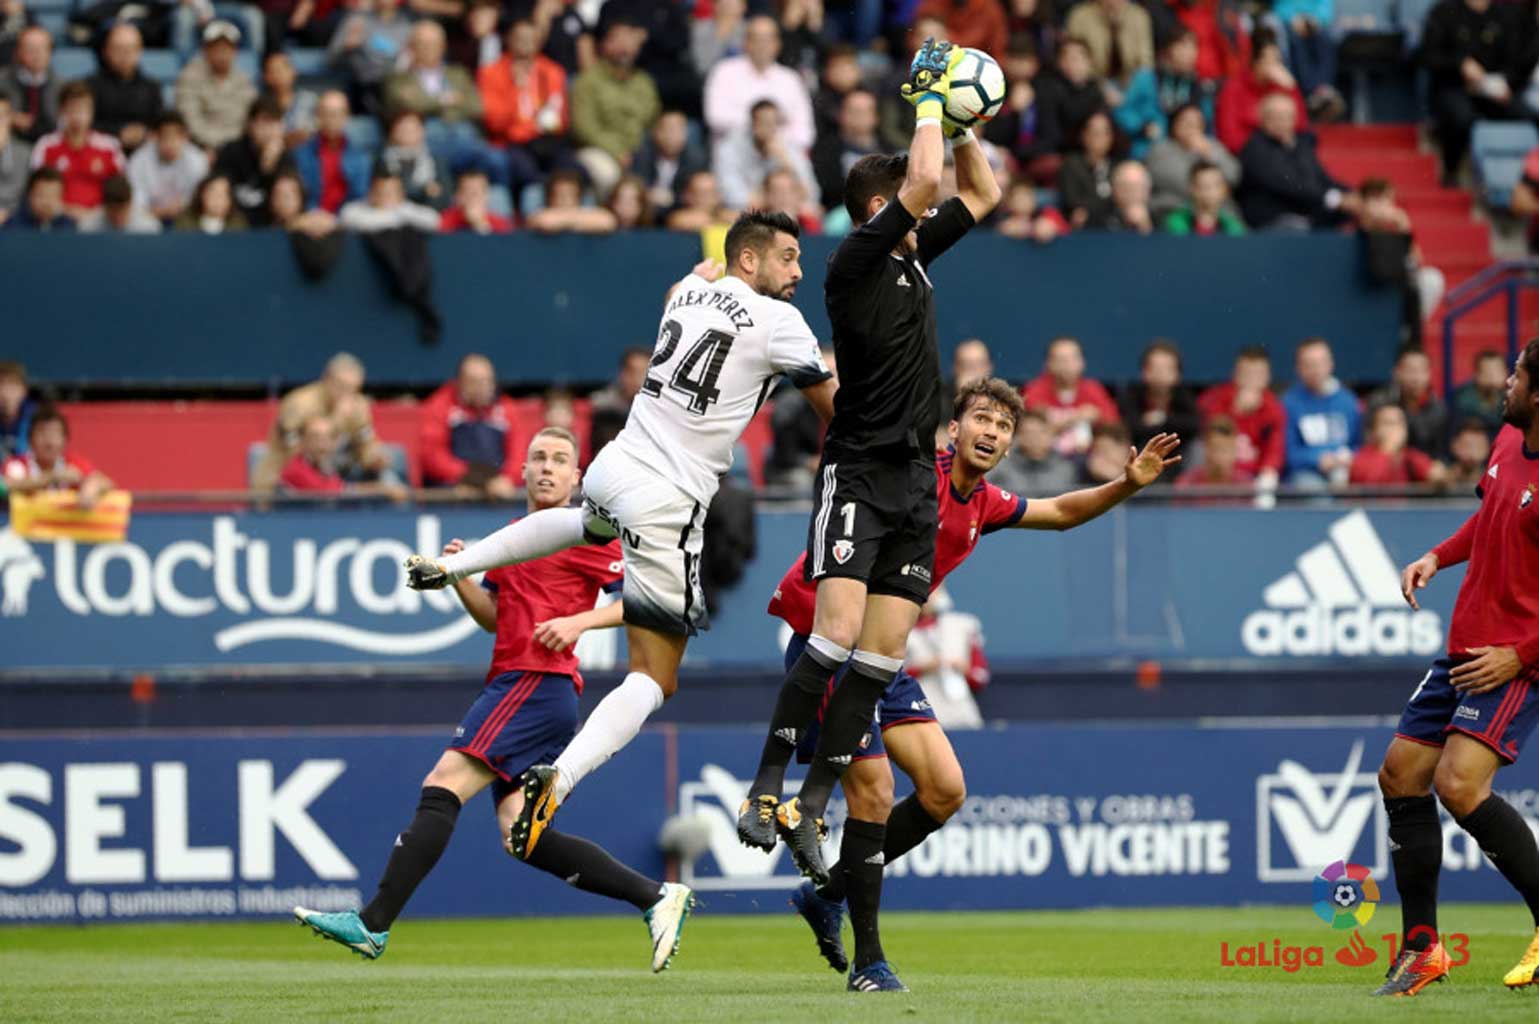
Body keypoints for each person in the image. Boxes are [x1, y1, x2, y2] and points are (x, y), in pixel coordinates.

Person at [402, 221, 838, 945]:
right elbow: (836, 414)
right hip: (669, 496)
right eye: (788, 258)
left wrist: (705, 279)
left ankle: (460, 559)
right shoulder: (780, 320)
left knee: (582, 523)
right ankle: (560, 779)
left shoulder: (685, 297)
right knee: (654, 675)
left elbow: (689, 286)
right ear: (750, 258)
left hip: (612, 463)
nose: (799, 272)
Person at [734, 40, 1000, 993]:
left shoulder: (915, 258)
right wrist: (931, 100)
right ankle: (767, 786)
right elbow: (926, 175)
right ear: (880, 206)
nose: (922, 203)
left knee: (881, 657)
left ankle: (806, 801)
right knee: (836, 635)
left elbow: (984, 191)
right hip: (858, 472)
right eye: (906, 198)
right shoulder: (852, 264)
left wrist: (965, 126)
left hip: (913, 488)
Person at [763, 379, 1177, 976]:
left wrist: (1127, 484)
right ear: (952, 430)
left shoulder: (983, 501)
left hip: (883, 655)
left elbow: (1059, 512)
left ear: (1009, 445)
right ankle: (869, 964)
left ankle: (828, 896)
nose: (992, 432)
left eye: (1004, 427)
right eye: (981, 419)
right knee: (875, 794)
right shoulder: (909, 474)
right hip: (831, 643)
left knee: (944, 790)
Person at [295, 427, 695, 971]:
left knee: (443, 785)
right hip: (524, 684)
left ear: (578, 477)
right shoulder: (517, 536)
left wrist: (580, 620)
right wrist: (462, 578)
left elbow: (644, 602)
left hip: (534, 682)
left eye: (560, 459)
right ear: (524, 472)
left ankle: (373, 923)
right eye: (538, 458)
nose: (548, 467)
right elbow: (494, 618)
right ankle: (655, 895)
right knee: (521, 835)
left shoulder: (587, 537)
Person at [1375, 339, 1539, 995]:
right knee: (1398, 774)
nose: (1505, 381)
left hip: (1513, 659)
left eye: (1518, 374)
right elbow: (1489, 516)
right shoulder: (1507, 443)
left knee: (1458, 784)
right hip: (1465, 648)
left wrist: (1518, 655)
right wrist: (1437, 556)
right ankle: (1422, 948)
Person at [253, 351, 390, 493]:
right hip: (285, 486)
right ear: (326, 379)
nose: (347, 394)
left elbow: (366, 444)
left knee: (388, 481)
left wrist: (374, 458)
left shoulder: (358, 406)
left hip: (333, 482)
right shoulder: (299, 404)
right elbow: (293, 456)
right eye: (342, 386)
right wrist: (337, 421)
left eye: (354, 389)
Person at [1422, 0, 1521, 184]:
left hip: (1493, 90)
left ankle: (1523, 179)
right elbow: (1429, 57)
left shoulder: (1505, 16)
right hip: (1452, 87)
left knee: (1526, 113)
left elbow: (1515, 61)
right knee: (1461, 117)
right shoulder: (1444, 12)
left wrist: (1506, 83)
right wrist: (1460, 65)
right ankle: (1452, 170)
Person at [570, 19, 660, 200]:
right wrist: (617, 151)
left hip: (639, 151)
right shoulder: (588, 81)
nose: (625, 48)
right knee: (608, 175)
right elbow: (584, 127)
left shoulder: (644, 82)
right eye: (618, 41)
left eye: (630, 42)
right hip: (598, 150)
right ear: (604, 45)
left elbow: (653, 120)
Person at [1238, 91, 1355, 230]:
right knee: (1298, 226)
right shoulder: (1255, 148)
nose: (1282, 122)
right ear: (1262, 119)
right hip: (1272, 218)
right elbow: (1288, 185)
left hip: (1307, 210)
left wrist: (1350, 193)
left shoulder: (1301, 144)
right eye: (1276, 117)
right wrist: (1333, 197)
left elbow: (1322, 177)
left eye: (1287, 117)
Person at [479, 18, 569, 197]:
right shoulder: (491, 73)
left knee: (573, 170)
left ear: (539, 41)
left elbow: (560, 119)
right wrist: (516, 89)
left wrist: (533, 127)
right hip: (511, 143)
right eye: (520, 38)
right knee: (527, 175)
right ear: (509, 40)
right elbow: (494, 121)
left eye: (531, 38)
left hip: (546, 140)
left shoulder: (552, 71)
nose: (525, 43)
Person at [701, 14, 814, 152]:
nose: (762, 45)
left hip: (779, 154)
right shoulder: (724, 71)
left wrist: (772, 136)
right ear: (745, 43)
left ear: (777, 44)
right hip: (734, 154)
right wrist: (768, 124)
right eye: (756, 39)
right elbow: (715, 117)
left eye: (767, 39)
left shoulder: (790, 79)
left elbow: (806, 133)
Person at [418, 353, 525, 499]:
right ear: (460, 383)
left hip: (499, 487)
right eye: (474, 382)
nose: (483, 387)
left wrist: (508, 479)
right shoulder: (440, 406)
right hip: (453, 488)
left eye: (488, 381)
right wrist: (468, 477)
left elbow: (520, 454)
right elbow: (431, 455)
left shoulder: (507, 408)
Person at [28, 81, 124, 218]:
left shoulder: (109, 146)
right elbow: (37, 192)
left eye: (84, 109)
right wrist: (67, 211)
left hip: (101, 219)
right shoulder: (46, 145)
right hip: (56, 217)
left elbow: (121, 191)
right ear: (61, 111)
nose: (79, 115)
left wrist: (94, 215)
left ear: (92, 111)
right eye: (73, 109)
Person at [1114, 29, 1213, 158]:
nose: (1188, 53)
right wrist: (1142, 127)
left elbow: (1208, 125)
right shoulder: (1146, 78)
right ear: (1169, 49)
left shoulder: (1199, 88)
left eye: (1193, 47)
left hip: (1185, 152)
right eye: (1182, 46)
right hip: (1147, 149)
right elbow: (1123, 112)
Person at [1198, 345, 1285, 485]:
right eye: (1246, 374)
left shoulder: (1274, 408)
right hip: (1221, 471)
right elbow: (1210, 434)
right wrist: (1236, 410)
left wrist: (1267, 471)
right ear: (1236, 374)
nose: (1252, 380)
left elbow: (1274, 452)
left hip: (1255, 475)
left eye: (1258, 374)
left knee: (1269, 480)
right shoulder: (1219, 399)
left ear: (1267, 377)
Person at [1282, 336, 1361, 487]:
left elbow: (1359, 445)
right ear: (1298, 368)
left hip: (1344, 471)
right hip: (1306, 475)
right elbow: (1288, 454)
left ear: (1330, 364)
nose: (1316, 370)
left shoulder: (1348, 401)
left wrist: (1347, 458)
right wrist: (1317, 460)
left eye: (1320, 363)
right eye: (1309, 364)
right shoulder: (1288, 403)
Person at [1022, 335, 1121, 456]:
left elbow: (1114, 426)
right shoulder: (1035, 390)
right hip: (1045, 458)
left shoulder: (1093, 389)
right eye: (1061, 360)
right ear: (1048, 364)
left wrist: (1097, 416)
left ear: (1082, 362)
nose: (1068, 365)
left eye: (1074, 358)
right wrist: (1075, 418)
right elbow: (1032, 430)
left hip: (1087, 459)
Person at [716, 98, 816, 212]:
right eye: (763, 122)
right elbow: (730, 195)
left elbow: (811, 193)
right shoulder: (730, 148)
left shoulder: (789, 149)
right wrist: (771, 200)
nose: (769, 127)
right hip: (743, 212)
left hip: (783, 210)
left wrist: (785, 162)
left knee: (809, 211)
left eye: (774, 122)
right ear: (752, 124)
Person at [2, 406, 113, 507]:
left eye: (55, 434)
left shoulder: (73, 462)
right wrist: (52, 477)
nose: (49, 442)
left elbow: (105, 481)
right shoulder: (17, 464)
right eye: (42, 433)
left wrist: (92, 486)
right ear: (30, 439)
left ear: (65, 441)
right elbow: (6, 485)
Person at [1146, 102, 1239, 221]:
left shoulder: (1212, 147)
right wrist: (1212, 187)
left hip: (1216, 210)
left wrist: (1210, 154)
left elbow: (1234, 176)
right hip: (1173, 208)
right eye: (1186, 122)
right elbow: (1178, 182)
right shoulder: (1161, 149)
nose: (1192, 127)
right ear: (1174, 125)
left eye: (1197, 123)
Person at [1215, 34, 1305, 155]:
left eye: (1278, 60)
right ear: (1255, 61)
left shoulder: (1281, 85)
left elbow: (1300, 126)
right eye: (1270, 60)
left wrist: (1292, 88)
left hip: (1282, 147)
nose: (1276, 66)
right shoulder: (1233, 88)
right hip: (1251, 152)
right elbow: (1229, 136)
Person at [175, 21, 258, 152]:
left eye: (227, 48)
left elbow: (250, 119)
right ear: (206, 50)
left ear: (235, 51)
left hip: (238, 147)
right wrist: (215, 145)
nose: (222, 53)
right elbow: (190, 121)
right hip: (200, 146)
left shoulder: (244, 80)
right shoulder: (189, 77)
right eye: (217, 47)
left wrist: (231, 146)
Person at [213, 97, 294, 226]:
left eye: (274, 122)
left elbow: (288, 204)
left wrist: (268, 167)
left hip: (272, 226)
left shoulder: (286, 157)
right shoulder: (231, 152)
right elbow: (218, 192)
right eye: (264, 122)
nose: (268, 130)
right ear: (250, 124)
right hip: (232, 225)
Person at [292, 90, 370, 214]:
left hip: (347, 219)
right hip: (309, 217)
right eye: (325, 114)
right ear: (318, 116)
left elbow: (359, 197)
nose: (331, 120)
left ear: (346, 116)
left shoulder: (360, 157)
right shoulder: (301, 154)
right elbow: (298, 197)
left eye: (337, 114)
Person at [88, 24, 162, 153]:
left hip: (145, 152)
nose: (125, 55)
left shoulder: (152, 86)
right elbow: (86, 123)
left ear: (140, 51)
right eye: (118, 49)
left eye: (130, 49)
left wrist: (143, 132)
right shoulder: (90, 86)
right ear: (106, 51)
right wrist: (119, 133)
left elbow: (159, 123)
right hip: (101, 153)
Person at [127, 112, 208, 224]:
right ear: (154, 137)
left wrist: (182, 206)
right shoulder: (138, 160)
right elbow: (136, 198)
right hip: (149, 215)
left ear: (185, 136)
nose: (171, 143)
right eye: (165, 137)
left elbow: (198, 196)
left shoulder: (198, 160)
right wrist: (154, 212)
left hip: (187, 215)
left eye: (176, 137)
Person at [1119, 340, 1200, 450]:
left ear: (1177, 373)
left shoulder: (1185, 396)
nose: (1160, 373)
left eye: (1167, 368)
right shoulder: (1131, 395)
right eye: (1155, 368)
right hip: (1139, 453)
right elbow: (1129, 427)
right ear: (1144, 371)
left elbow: (1193, 425)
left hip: (1178, 454)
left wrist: (1162, 419)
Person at [1369, 349, 1448, 459]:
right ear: (1396, 372)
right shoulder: (1380, 402)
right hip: (1386, 464)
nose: (1416, 377)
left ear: (1429, 374)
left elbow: (1440, 452)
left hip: (1426, 470)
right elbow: (1369, 444)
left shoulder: (1439, 409)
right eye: (1410, 370)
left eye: (1421, 370)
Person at [1350, 403, 1445, 487]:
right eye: (1388, 423)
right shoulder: (1362, 457)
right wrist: (1388, 451)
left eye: (1399, 423)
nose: (1395, 428)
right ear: (1375, 430)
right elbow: (1370, 484)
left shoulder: (1410, 456)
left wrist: (1441, 474)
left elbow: (1436, 476)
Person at [1064, 0, 1155, 87]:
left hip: (1130, 82)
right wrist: (1100, 87)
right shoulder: (1079, 17)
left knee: (1147, 82)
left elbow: (1146, 61)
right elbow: (1075, 62)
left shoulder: (1139, 16)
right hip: (1092, 82)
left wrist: (1133, 87)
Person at [988, 406, 1079, 493]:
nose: (1035, 438)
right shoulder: (1001, 468)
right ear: (1019, 437)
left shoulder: (1067, 469)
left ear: (1051, 435)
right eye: (1029, 433)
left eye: (1041, 432)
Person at [633, 109, 707, 213]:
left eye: (678, 131)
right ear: (656, 132)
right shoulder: (641, 154)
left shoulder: (695, 159)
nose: (671, 136)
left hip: (679, 210)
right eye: (667, 130)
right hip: (645, 210)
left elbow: (690, 194)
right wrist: (648, 194)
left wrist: (671, 199)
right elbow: (636, 184)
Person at [1057, 109, 1118, 229]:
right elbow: (1072, 201)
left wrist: (1090, 208)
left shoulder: (1117, 168)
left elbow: (1118, 200)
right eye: (1095, 133)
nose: (1100, 138)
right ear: (1084, 135)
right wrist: (1103, 203)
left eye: (1105, 133)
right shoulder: (1071, 165)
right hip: (1081, 230)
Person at [588, 347, 653, 457]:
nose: (636, 379)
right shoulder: (600, 407)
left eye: (643, 373)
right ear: (621, 374)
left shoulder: (660, 410)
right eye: (631, 372)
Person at [0, 25, 60, 143]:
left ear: (50, 52)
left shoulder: (63, 86)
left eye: (42, 48)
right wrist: (9, 117)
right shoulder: (2, 81)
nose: (37, 54)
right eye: (30, 48)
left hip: (50, 147)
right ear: (18, 51)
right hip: (9, 146)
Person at [379, 109, 449, 209]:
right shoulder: (382, 162)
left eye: (413, 129)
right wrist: (424, 191)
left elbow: (444, 197)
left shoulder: (436, 161)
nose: (408, 133)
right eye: (403, 129)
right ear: (392, 132)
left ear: (423, 131)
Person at [338, 164, 440, 231]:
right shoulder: (354, 210)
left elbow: (433, 220)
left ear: (401, 194)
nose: (386, 196)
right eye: (381, 192)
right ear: (371, 192)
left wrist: (399, 211)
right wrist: (394, 217)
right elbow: (347, 217)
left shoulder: (406, 209)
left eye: (391, 192)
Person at [524, 167, 617, 234]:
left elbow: (608, 222)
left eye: (570, 195)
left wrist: (567, 222)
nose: (565, 200)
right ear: (550, 198)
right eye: (561, 195)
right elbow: (543, 223)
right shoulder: (542, 213)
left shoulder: (585, 212)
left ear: (578, 197)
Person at [1163, 159, 1245, 234]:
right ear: (1192, 189)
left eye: (1216, 185)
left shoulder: (1233, 227)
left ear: (1224, 190)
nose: (1211, 191)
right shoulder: (1176, 223)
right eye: (1205, 185)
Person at [1175, 415, 1253, 488]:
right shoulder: (1187, 484)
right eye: (1215, 449)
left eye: (1225, 450)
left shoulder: (1245, 486)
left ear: (1234, 452)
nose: (1219, 456)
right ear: (1205, 450)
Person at [1453, 350, 1510, 439]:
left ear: (1506, 372)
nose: (1493, 378)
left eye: (1498, 371)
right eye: (1487, 373)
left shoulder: (1513, 398)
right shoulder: (1463, 401)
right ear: (1476, 375)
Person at [994, 177, 1071, 241]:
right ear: (1010, 203)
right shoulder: (1004, 222)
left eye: (1028, 195)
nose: (1025, 201)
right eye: (1019, 197)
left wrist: (1046, 227)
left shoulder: (1049, 214)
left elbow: (1065, 231)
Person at [78, 174, 161, 233]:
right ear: (104, 207)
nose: (117, 216)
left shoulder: (148, 227)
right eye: (112, 210)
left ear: (130, 204)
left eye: (122, 210)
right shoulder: (88, 226)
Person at [439, 165, 511, 233]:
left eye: (475, 193)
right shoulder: (445, 220)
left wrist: (479, 224)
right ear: (458, 196)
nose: (471, 198)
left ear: (486, 195)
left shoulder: (499, 223)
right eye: (466, 193)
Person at [2, 166, 74, 231]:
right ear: (30, 195)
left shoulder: (68, 227)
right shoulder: (14, 226)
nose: (46, 202)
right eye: (41, 195)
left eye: (53, 195)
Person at [0, 93, 29, 221]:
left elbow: (29, 197)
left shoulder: (26, 154)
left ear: (10, 118)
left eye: (1, 117)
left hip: (16, 222)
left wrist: (8, 214)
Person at [1443, 417, 1491, 493]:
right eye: (1466, 446)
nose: (1472, 453)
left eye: (1478, 447)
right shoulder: (1440, 481)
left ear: (1487, 449)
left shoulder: (1493, 484)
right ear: (1454, 446)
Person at [0, 360, 34, 461]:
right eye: (1, 385)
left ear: (24, 390)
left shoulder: (37, 420)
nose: (5, 393)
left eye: (12, 386)